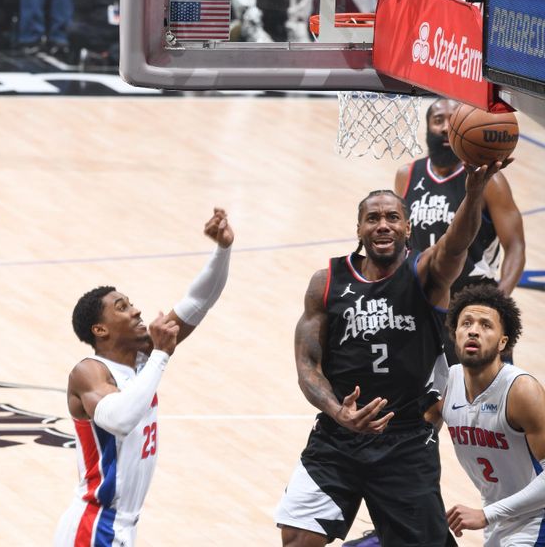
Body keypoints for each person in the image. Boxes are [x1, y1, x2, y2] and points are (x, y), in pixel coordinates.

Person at [275, 158, 508, 546]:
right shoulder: (326, 282)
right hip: (337, 438)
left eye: (392, 217)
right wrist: (338, 412)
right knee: (298, 537)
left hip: (404, 441)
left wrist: (473, 193)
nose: (383, 224)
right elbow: (307, 366)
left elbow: (457, 243)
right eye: (373, 218)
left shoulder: (426, 275)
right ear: (360, 229)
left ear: (407, 227)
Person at [54, 208, 233, 546]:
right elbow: (120, 419)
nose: (136, 310)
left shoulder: (142, 359)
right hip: (95, 525)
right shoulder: (89, 372)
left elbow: (198, 301)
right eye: (122, 307)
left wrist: (222, 250)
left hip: (123, 526)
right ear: (100, 329)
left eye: (132, 303)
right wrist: (162, 355)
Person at [395, 98, 525, 363]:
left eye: (451, 120)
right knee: (432, 397)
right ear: (428, 127)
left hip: (474, 309)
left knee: (489, 398)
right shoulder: (407, 174)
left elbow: (516, 246)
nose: (444, 127)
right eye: (438, 120)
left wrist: (498, 301)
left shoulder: (491, 180)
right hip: (426, 307)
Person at [429, 284, 545, 544]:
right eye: (466, 323)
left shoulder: (521, 390)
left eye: (485, 325)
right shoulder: (446, 383)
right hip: (500, 520)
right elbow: (413, 441)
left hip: (538, 518)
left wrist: (487, 514)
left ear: (503, 342)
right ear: (455, 333)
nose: (473, 330)